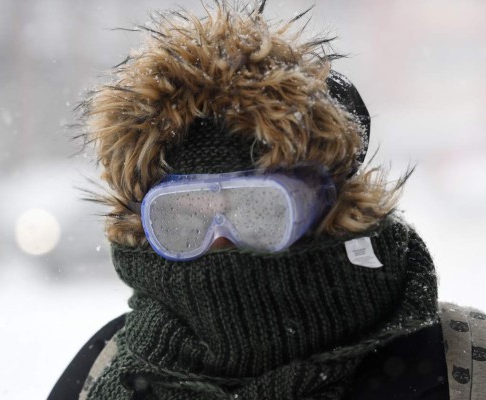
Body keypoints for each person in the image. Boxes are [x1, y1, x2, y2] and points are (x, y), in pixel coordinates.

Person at [49, 2, 485, 399]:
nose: (221, 243)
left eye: (257, 210)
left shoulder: (463, 362)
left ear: (327, 212)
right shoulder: (104, 373)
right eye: (183, 220)